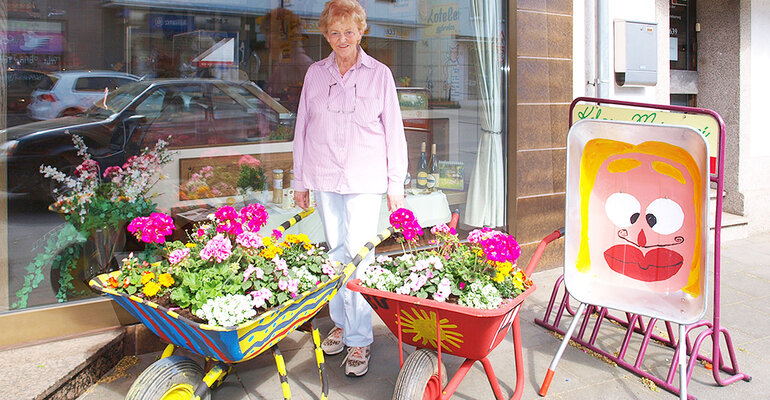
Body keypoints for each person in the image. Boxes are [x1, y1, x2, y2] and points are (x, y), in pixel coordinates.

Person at [292, 0, 408, 377]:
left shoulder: (380, 74)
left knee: (359, 256)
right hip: (324, 175)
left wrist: (396, 186)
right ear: (326, 35)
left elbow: (394, 131)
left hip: (364, 179)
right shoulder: (315, 73)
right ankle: (342, 323)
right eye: (334, 32)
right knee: (336, 252)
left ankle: (360, 341)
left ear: (361, 32)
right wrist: (300, 181)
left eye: (349, 31)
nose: (342, 39)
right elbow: (303, 129)